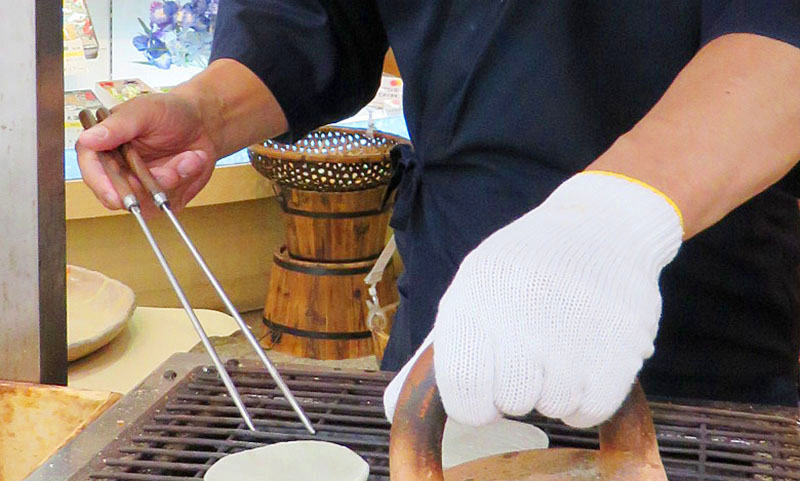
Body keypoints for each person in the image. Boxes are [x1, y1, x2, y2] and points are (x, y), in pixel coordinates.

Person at [77, 2, 800, 428]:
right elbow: (316, 18)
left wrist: (610, 220)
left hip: (699, 322)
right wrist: (206, 113)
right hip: (450, 314)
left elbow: (777, 37)